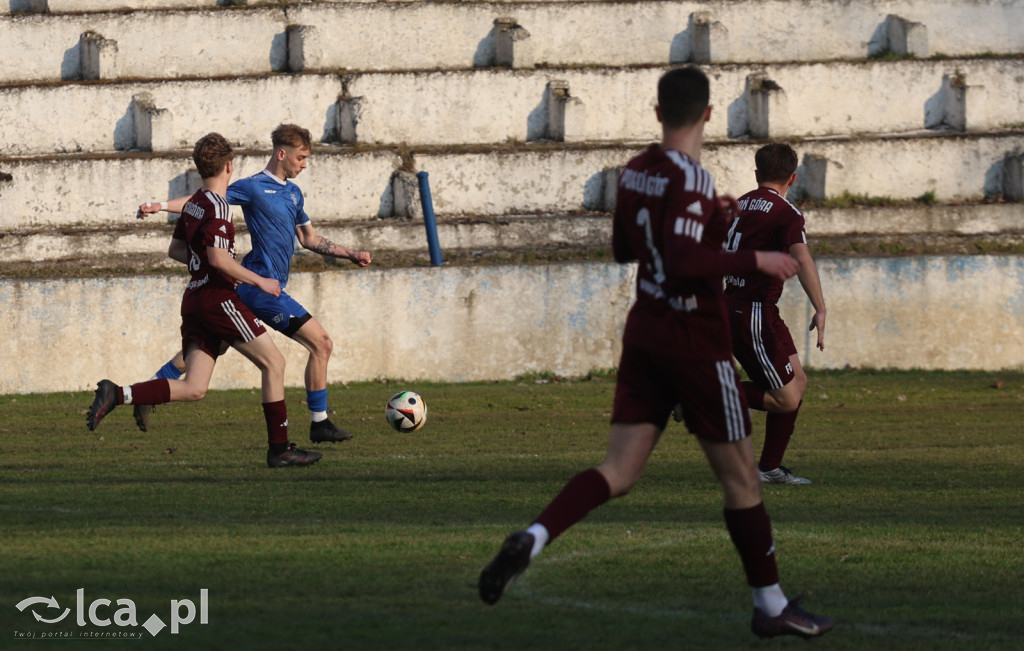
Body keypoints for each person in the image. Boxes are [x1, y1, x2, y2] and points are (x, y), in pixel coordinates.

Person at [477, 66, 834, 639]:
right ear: (709, 115)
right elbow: (685, 260)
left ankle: (533, 537)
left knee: (618, 471)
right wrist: (754, 259)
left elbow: (626, 248)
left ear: (658, 112)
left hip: (645, 332)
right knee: (742, 480)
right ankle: (770, 605)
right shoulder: (690, 178)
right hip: (694, 339)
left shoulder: (637, 172)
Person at [87, 132, 322, 469]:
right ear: (229, 166)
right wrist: (258, 280)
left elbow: (176, 250)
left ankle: (119, 393)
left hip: (195, 299)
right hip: (219, 299)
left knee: (195, 388)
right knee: (274, 364)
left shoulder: (195, 203)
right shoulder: (218, 207)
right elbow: (219, 259)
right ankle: (280, 448)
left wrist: (208, 262)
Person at [136, 124, 372, 443]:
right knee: (322, 343)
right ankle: (319, 424)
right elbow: (202, 200)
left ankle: (150, 390)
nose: (304, 164)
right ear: (281, 154)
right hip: (259, 287)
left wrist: (350, 254)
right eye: (300, 158)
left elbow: (309, 239)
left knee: (212, 345)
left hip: (250, 287)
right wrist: (160, 205)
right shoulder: (252, 187)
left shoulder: (294, 193)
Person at [723, 143, 827, 485]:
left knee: (798, 383)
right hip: (751, 311)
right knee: (786, 399)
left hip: (751, 307)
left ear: (757, 174)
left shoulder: (738, 205)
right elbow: (803, 259)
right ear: (792, 178)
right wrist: (820, 308)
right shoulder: (786, 213)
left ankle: (769, 468)